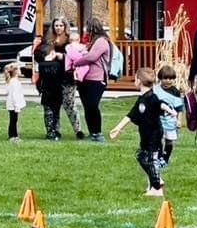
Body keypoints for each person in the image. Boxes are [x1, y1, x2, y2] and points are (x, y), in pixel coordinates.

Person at [108, 67, 170, 197]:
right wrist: (118, 128)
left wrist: (170, 110)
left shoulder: (152, 97)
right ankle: (154, 182)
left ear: (138, 81)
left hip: (154, 134)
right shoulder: (141, 99)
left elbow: (160, 104)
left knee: (152, 159)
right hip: (146, 134)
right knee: (141, 156)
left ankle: (157, 188)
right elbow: (131, 115)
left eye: (135, 78)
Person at [71, 18, 112, 140]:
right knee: (87, 107)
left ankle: (98, 133)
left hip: (97, 79)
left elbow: (91, 57)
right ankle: (92, 133)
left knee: (93, 105)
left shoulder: (101, 41)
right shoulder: (91, 42)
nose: (86, 31)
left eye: (87, 29)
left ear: (92, 28)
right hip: (84, 79)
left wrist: (76, 62)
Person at [50, 19, 85, 138]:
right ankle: (56, 130)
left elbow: (76, 57)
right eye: (56, 25)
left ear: (65, 27)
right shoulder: (49, 40)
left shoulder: (70, 41)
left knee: (70, 103)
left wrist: (62, 56)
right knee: (55, 104)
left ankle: (78, 130)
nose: (58, 28)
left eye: (61, 25)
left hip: (67, 77)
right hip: (53, 77)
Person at [152, 64, 186, 165]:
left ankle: (165, 159)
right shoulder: (156, 90)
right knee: (158, 139)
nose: (168, 81)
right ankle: (159, 157)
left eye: (171, 78)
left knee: (169, 141)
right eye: (165, 78)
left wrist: (179, 120)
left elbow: (179, 108)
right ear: (160, 78)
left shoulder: (175, 92)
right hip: (158, 120)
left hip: (171, 121)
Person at [35, 34, 67, 139]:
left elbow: (40, 80)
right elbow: (62, 77)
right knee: (55, 112)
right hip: (56, 90)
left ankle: (50, 131)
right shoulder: (58, 65)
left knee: (48, 112)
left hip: (47, 91)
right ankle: (55, 130)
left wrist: (39, 88)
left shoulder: (41, 65)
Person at [4, 62, 26, 140]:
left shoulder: (10, 81)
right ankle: (12, 136)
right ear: (15, 71)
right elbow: (15, 95)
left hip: (11, 104)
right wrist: (17, 106)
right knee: (13, 121)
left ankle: (15, 135)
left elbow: (7, 92)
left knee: (13, 120)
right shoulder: (15, 82)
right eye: (19, 69)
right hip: (13, 105)